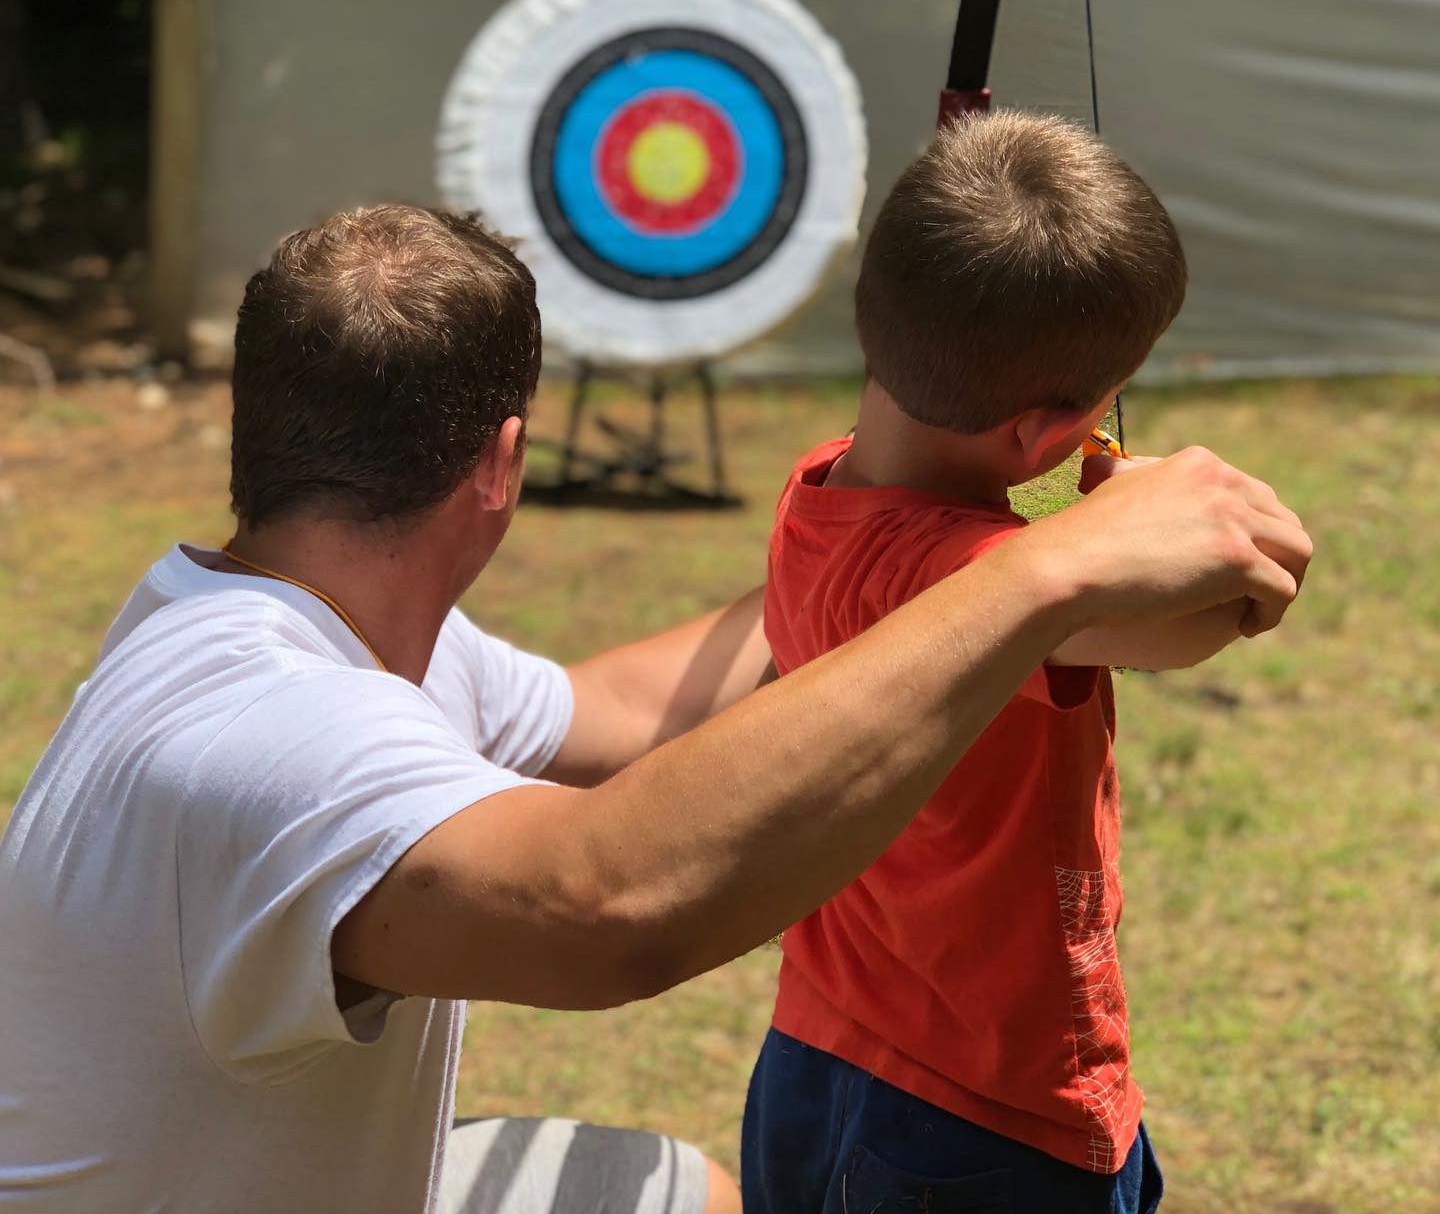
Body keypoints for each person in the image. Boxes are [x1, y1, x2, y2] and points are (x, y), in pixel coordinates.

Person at [0, 205, 1309, 1214]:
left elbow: (632, 711)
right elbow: (608, 907)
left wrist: (877, 523)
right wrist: (1045, 568)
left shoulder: (308, 631)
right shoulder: (271, 734)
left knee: (681, 1196)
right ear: (505, 462)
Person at [740, 111, 1270, 1214]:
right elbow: (1217, 607)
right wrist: (1126, 493)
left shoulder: (812, 491)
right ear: (1038, 435)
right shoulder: (1003, 590)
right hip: (986, 1113)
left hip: (815, 1056)